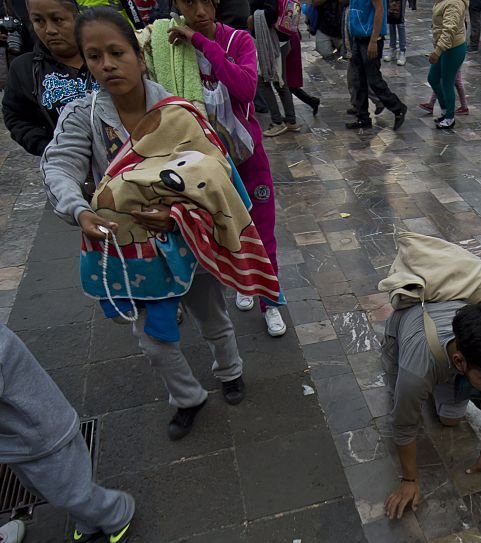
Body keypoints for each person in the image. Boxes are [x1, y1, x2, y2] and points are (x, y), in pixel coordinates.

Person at [42, 7, 248, 440]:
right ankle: (187, 397)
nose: (107, 64)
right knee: (152, 339)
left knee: (211, 316)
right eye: (94, 56)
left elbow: (214, 172)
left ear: (139, 55)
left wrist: (174, 212)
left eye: (117, 52)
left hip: (187, 237)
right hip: (129, 246)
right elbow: (59, 166)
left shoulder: (178, 113)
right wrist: (80, 210)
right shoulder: (85, 116)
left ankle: (230, 371)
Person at [167, 0, 289, 337]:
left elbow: (245, 88)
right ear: (177, 5)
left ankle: (271, 302)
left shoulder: (238, 41)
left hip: (249, 159)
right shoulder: (173, 50)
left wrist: (201, 41)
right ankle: (243, 284)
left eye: (206, 1)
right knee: (224, 233)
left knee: (263, 232)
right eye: (189, 3)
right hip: (206, 166)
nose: (200, 10)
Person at [381, 301, 481, 520]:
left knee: (450, 419)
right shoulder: (416, 369)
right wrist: (409, 479)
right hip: (406, 329)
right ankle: (433, 381)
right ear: (459, 362)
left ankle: (439, 382)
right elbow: (403, 424)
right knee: (401, 397)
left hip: (444, 356)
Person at [0, 324, 135, 543]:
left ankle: (117, 511)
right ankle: (88, 519)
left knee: (70, 489)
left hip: (41, 431)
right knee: (44, 486)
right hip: (16, 438)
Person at [2, 0, 94, 155]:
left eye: (57, 19)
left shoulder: (106, 57)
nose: (49, 30)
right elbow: (16, 117)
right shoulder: (24, 69)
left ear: (77, 17)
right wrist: (49, 148)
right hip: (68, 169)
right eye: (39, 21)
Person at [347, 0, 407, 129]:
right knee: (358, 81)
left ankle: (397, 107)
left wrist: (374, 40)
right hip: (358, 37)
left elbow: (379, 9)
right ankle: (363, 117)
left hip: (370, 39)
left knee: (373, 80)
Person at [251, 0, 300, 136]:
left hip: (273, 42)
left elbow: (271, 13)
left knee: (263, 80)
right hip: (280, 40)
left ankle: (277, 122)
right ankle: (291, 120)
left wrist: (253, 17)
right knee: (280, 81)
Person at [429, 0, 469, 129]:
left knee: (447, 82)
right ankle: (445, 110)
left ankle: (450, 117)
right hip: (444, 47)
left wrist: (437, 51)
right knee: (433, 78)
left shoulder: (454, 3)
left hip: (453, 48)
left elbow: (449, 30)